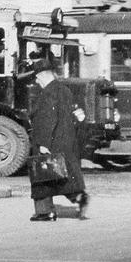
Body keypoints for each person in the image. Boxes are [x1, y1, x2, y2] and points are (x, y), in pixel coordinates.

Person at [27, 55, 89, 222]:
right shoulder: (65, 90)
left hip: (49, 140)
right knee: (62, 175)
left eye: (37, 78)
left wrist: (43, 143)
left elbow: (48, 119)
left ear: (42, 75)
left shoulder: (47, 93)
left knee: (41, 176)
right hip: (66, 141)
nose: (37, 82)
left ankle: (44, 212)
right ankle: (78, 196)